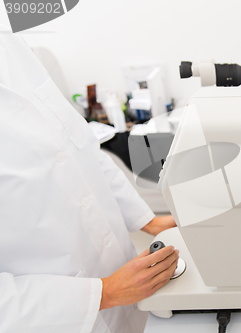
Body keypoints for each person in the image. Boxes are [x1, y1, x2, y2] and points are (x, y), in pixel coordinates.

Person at [0, 30, 179, 332]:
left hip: (124, 285)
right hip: (53, 316)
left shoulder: (9, 43)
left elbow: (79, 145)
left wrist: (147, 220)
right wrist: (103, 293)